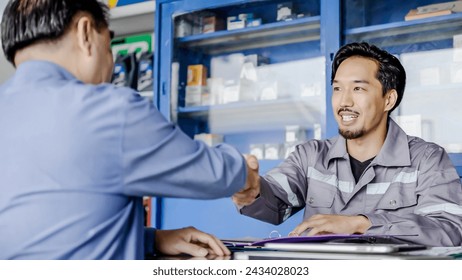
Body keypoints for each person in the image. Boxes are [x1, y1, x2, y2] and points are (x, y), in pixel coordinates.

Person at [0, 0, 250, 259]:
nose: (110, 65)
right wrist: (245, 170)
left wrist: (151, 239)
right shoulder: (108, 109)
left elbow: (43, 227)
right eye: (109, 45)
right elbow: (212, 174)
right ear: (86, 32)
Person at [233, 42, 462, 247]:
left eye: (358, 88)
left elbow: (449, 229)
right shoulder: (311, 156)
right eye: (337, 88)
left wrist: (361, 224)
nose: (344, 101)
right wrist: (251, 191)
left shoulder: (427, 159)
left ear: (388, 100)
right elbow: (275, 203)